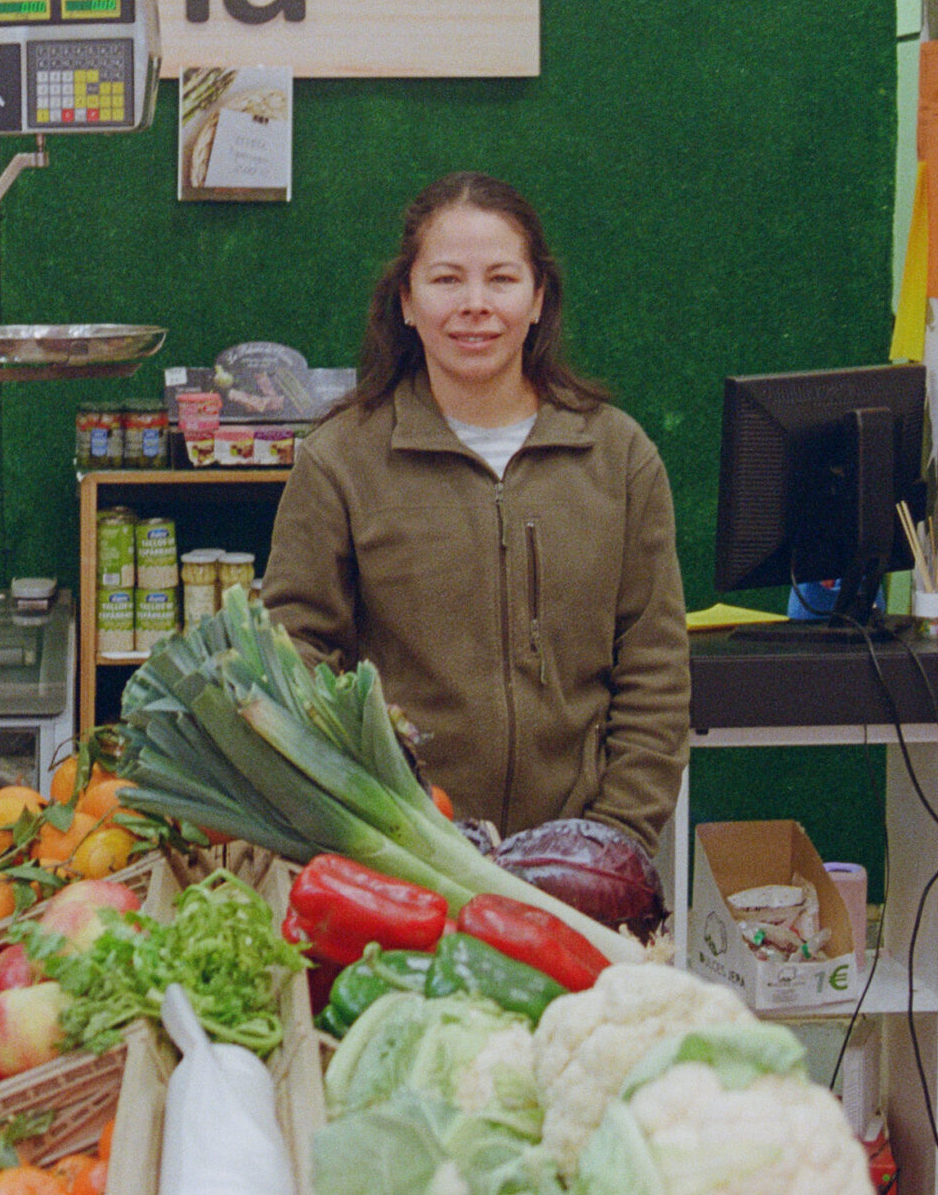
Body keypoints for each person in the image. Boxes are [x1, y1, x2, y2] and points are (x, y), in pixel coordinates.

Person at [262, 172, 689, 853]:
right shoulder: (340, 459)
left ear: (537, 297)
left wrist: (615, 839)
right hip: (404, 854)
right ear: (406, 300)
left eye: (500, 278)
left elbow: (652, 667)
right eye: (445, 280)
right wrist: (370, 811)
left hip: (581, 855)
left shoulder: (616, 455)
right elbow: (295, 655)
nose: (474, 305)